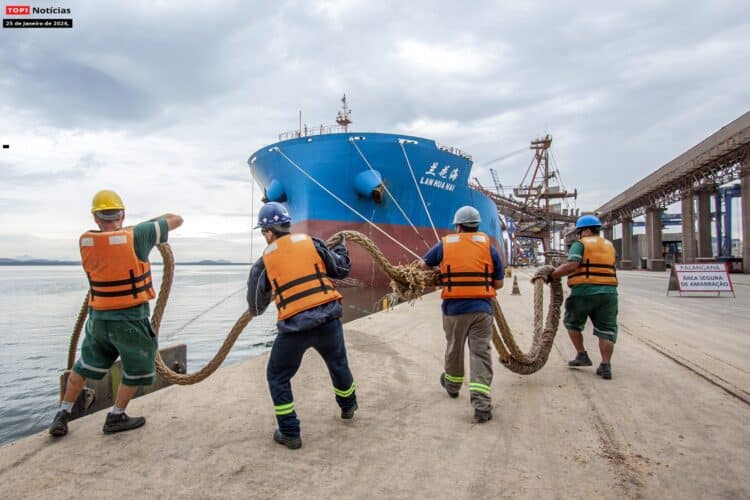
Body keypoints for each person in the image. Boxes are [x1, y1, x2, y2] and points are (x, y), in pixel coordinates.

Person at [49, 190, 183, 437]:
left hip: (98, 320)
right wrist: (146, 224)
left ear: (96, 218)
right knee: (137, 369)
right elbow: (177, 219)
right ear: (122, 214)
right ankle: (116, 415)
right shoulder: (137, 236)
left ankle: (63, 413)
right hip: (130, 320)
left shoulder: (86, 241)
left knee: (84, 365)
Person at [246, 202, 357, 450]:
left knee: (277, 376)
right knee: (338, 363)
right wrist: (341, 249)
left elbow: (255, 307)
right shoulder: (313, 243)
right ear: (287, 226)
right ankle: (348, 406)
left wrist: (272, 290)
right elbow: (340, 269)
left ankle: (290, 432)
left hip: (294, 327)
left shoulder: (262, 263)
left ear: (268, 232)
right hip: (329, 320)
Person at [420, 206, 504, 423]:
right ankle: (482, 405)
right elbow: (499, 283)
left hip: (454, 310)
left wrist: (443, 276)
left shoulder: (445, 245)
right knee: (480, 354)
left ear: (457, 226)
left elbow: (422, 265)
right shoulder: (490, 248)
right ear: (477, 225)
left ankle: (452, 385)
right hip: (481, 311)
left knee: (454, 349)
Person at [549, 214, 618, 380]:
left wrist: (552, 275)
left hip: (584, 291)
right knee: (606, 330)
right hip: (609, 293)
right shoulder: (609, 246)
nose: (578, 235)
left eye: (579, 232)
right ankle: (606, 365)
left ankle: (582, 354)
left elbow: (572, 265)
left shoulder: (580, 245)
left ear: (586, 230)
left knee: (572, 323)